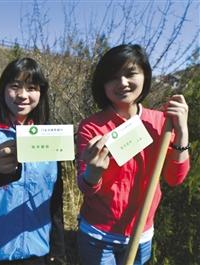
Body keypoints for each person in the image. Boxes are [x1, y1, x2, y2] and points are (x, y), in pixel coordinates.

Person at [76, 44, 190, 265]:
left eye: (130, 74)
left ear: (145, 76)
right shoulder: (91, 127)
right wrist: (93, 172)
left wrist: (182, 131)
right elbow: (86, 188)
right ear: (103, 84)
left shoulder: (160, 122)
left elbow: (174, 179)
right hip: (98, 236)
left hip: (141, 236)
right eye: (113, 77)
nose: (122, 83)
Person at [0, 57, 66, 265]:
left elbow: (55, 199)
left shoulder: (51, 136)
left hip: (36, 250)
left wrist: (58, 249)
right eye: (15, 86)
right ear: (3, 89)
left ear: (41, 92)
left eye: (31, 88)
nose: (22, 95)